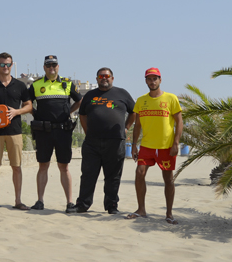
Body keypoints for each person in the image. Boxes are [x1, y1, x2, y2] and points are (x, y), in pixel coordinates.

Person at [73, 67, 136, 214]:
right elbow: (82, 115)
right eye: (101, 76)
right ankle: (82, 204)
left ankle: (111, 205)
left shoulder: (122, 93)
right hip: (92, 143)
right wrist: (88, 132)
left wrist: (126, 127)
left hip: (115, 142)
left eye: (107, 76)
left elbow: (133, 112)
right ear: (97, 79)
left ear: (112, 78)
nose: (104, 78)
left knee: (113, 176)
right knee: (88, 175)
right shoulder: (90, 95)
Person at [127, 68, 183, 224]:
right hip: (147, 146)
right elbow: (137, 125)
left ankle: (169, 214)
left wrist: (176, 143)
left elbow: (179, 122)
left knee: (168, 179)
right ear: (146, 81)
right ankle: (141, 210)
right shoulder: (141, 101)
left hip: (166, 146)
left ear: (160, 80)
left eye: (155, 79)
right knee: (139, 173)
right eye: (149, 79)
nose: (152, 82)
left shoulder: (171, 98)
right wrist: (134, 145)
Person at [0, 52, 33, 210]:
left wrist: (16, 112)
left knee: (16, 166)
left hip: (15, 131)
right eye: (2, 64)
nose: (5, 67)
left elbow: (29, 106)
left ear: (12, 65)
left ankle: (18, 201)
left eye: (8, 64)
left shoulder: (20, 85)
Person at [28, 55, 82, 212]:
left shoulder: (67, 84)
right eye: (48, 65)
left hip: (63, 131)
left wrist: (68, 112)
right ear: (44, 68)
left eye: (54, 65)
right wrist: (36, 114)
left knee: (64, 167)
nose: (51, 68)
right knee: (43, 165)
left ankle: (70, 202)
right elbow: (27, 102)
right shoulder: (36, 85)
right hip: (43, 131)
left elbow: (79, 100)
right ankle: (40, 201)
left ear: (58, 67)